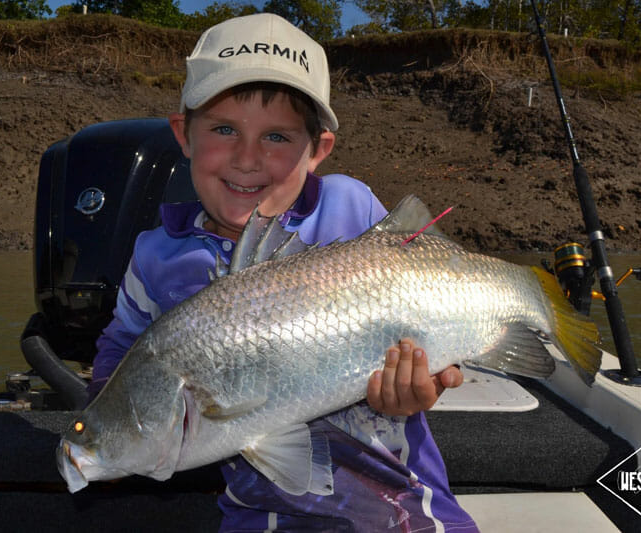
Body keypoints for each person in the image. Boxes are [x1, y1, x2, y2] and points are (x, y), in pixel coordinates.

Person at [88, 13, 477, 532]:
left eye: (276, 136)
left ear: (318, 149)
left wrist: (430, 380)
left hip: (404, 508)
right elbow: (121, 349)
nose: (248, 158)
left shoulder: (353, 207)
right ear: (183, 134)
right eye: (225, 129)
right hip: (257, 514)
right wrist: (106, 428)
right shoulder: (155, 256)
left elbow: (428, 304)